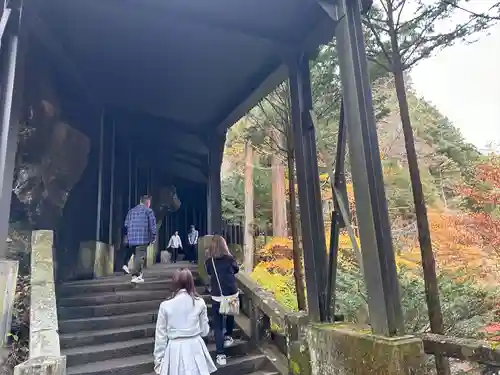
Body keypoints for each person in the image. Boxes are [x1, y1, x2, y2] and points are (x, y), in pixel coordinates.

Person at [153, 268, 216, 375]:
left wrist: (158, 361)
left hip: (174, 348)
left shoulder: (165, 305)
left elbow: (161, 336)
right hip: (195, 346)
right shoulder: (200, 302)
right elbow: (204, 331)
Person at [204, 235, 239, 366]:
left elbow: (209, 273)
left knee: (218, 325)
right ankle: (229, 336)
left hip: (217, 295)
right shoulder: (230, 259)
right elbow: (236, 269)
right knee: (231, 313)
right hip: (231, 294)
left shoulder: (209, 262)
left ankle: (220, 354)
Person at [123, 195, 157, 283]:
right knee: (140, 256)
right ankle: (135, 275)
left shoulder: (131, 211)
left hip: (131, 238)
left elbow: (126, 224)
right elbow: (152, 226)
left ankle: (139, 275)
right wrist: (153, 237)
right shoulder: (148, 211)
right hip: (142, 237)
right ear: (148, 203)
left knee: (136, 256)